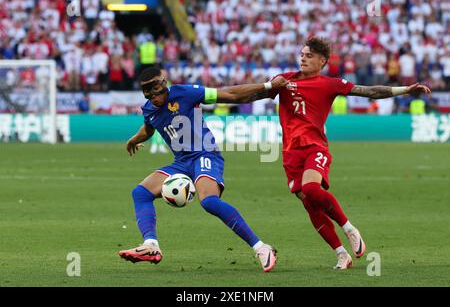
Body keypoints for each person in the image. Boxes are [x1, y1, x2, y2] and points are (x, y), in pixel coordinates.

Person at [260, 37, 431, 270]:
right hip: (290, 152)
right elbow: (254, 94)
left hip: (314, 147)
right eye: (301, 54)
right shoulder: (284, 80)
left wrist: (405, 90)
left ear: (322, 61)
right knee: (309, 203)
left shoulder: (329, 84)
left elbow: (370, 91)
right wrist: (269, 86)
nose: (303, 58)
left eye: (309, 56)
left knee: (311, 188)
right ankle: (341, 254)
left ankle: (349, 228)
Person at [118, 67, 288, 272]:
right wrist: (134, 139)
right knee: (140, 193)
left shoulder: (186, 93)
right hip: (181, 162)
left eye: (157, 94)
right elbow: (149, 127)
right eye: (150, 97)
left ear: (164, 85)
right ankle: (151, 245)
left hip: (205, 155)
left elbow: (231, 94)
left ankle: (262, 248)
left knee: (209, 201)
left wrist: (268, 87)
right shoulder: (149, 108)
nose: (155, 100)